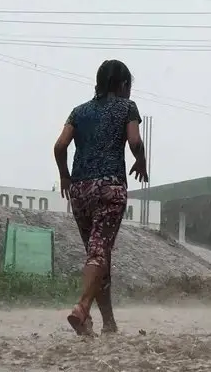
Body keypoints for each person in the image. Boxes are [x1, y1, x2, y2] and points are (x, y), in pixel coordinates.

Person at [53, 59, 149, 335]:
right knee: (100, 252)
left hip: (80, 190)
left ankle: (108, 323)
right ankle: (82, 308)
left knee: (98, 253)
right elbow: (134, 142)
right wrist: (141, 160)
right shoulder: (127, 107)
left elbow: (60, 146)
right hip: (110, 188)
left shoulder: (78, 112)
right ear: (123, 85)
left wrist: (65, 176)